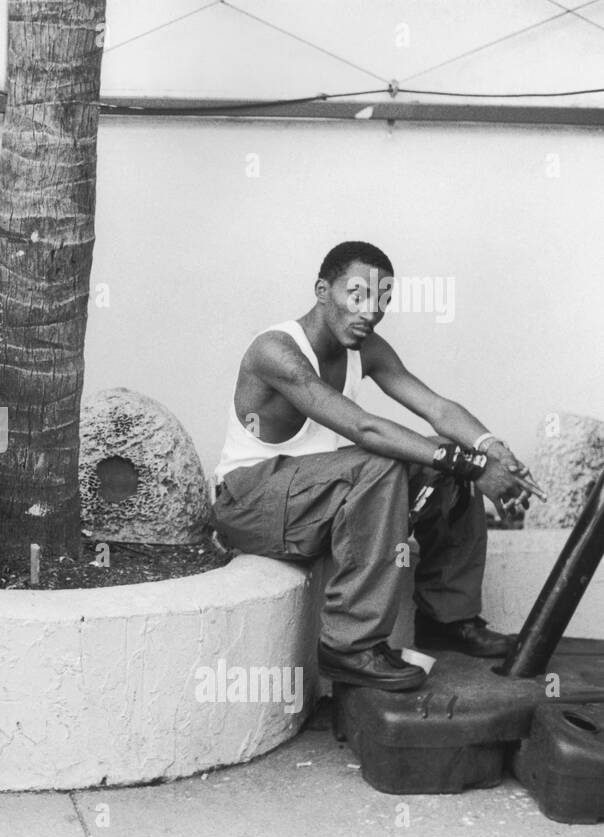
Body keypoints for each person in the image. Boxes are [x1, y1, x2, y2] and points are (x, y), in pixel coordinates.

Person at [211, 241, 544, 691]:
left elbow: (438, 410)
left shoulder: (364, 348)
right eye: (356, 295)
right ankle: (348, 647)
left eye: (381, 299)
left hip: (317, 493)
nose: (370, 310)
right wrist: (472, 465)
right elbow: (364, 428)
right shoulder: (275, 350)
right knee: (388, 461)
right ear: (322, 290)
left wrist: (490, 448)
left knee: (445, 458)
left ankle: (450, 619)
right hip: (252, 502)